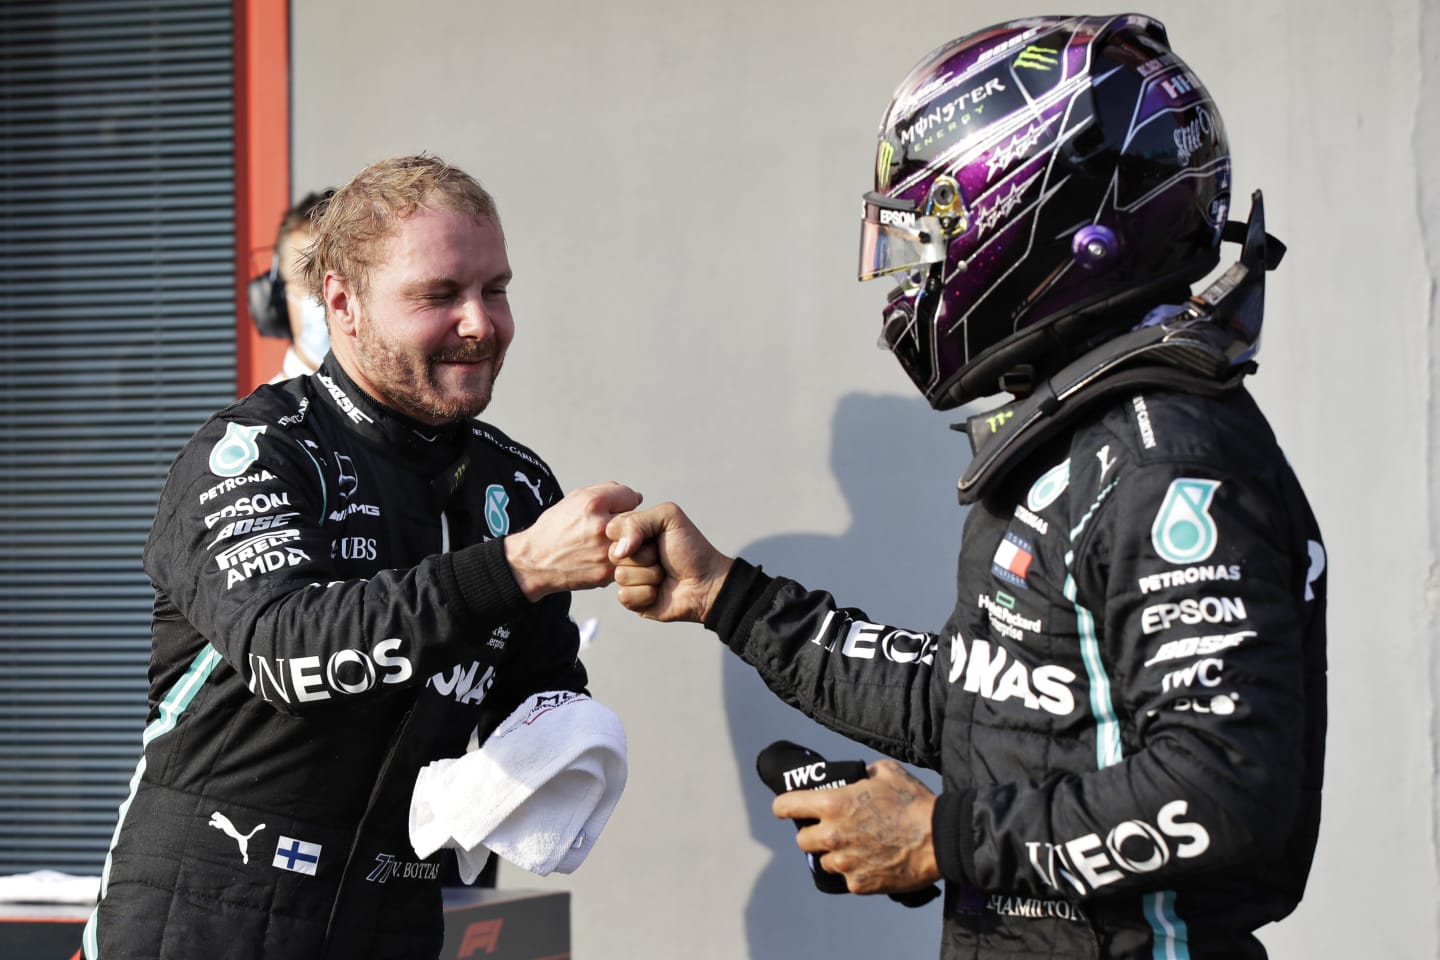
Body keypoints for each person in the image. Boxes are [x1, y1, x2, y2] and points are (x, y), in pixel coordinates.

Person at [608, 14, 1326, 960]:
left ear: (1047, 224)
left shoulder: (1165, 456)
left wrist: (937, 839)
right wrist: (726, 597)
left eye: (933, 238)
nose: (914, 282)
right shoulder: (1085, 432)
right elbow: (981, 703)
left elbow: (1228, 787)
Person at [84, 154, 642, 960]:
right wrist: (516, 568)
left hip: (393, 921)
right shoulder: (257, 451)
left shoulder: (516, 485)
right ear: (340, 303)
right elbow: (288, 650)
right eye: (439, 295)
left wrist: (571, 742)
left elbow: (531, 700)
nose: (481, 323)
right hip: (202, 920)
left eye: (496, 289)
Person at [247, 188, 336, 380]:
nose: (328, 298)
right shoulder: (266, 410)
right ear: (277, 296)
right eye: (309, 282)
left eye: (340, 281)